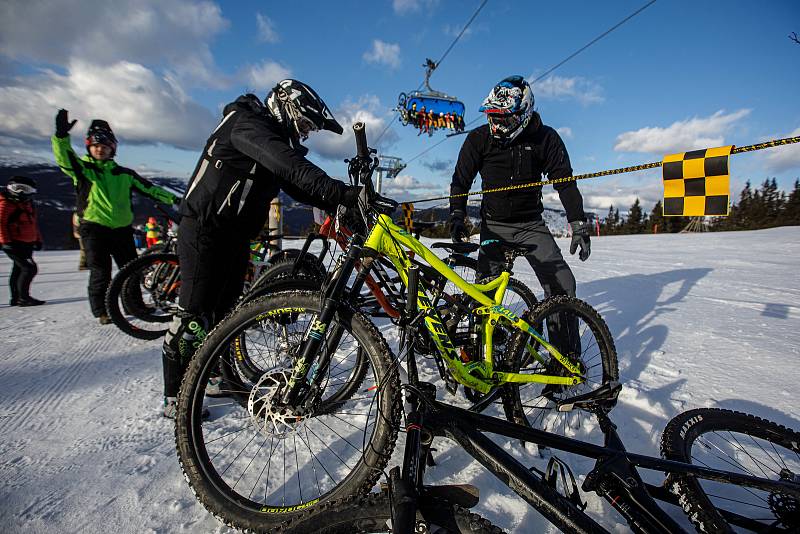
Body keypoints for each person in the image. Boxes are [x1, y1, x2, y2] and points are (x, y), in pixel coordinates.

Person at [160, 79, 392, 419]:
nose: (304, 134)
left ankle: (207, 376)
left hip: (234, 236)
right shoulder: (246, 124)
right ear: (285, 105)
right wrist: (341, 194)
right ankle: (174, 394)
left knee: (224, 314)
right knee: (193, 315)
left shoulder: (272, 138)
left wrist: (343, 206)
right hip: (203, 229)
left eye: (308, 130)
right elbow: (290, 167)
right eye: (303, 124)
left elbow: (297, 185)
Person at [449, 75, 591, 296]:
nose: (496, 126)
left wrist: (578, 222)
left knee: (563, 285)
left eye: (504, 119)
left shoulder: (546, 139)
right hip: (494, 226)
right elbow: (461, 180)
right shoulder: (478, 139)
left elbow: (564, 182)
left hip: (531, 226)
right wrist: (457, 214)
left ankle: (562, 332)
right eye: (492, 117)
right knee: (484, 294)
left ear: (524, 113)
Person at [52, 111, 180, 324]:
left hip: (121, 229)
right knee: (100, 272)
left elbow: (150, 189)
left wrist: (176, 200)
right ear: (89, 147)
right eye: (95, 146)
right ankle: (102, 311)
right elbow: (64, 159)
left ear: (113, 148)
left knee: (131, 270)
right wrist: (60, 137)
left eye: (105, 146)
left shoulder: (124, 174)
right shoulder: (84, 170)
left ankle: (135, 306)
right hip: (94, 228)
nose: (100, 149)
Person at [0, 176, 45, 306]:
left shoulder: (27, 204)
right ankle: (23, 298)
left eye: (25, 189)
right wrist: (6, 242)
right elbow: (0, 223)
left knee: (19, 269)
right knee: (29, 268)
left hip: (26, 242)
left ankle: (16, 297)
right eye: (17, 188)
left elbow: (32, 223)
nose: (20, 192)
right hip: (14, 243)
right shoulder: (6, 203)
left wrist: (37, 239)